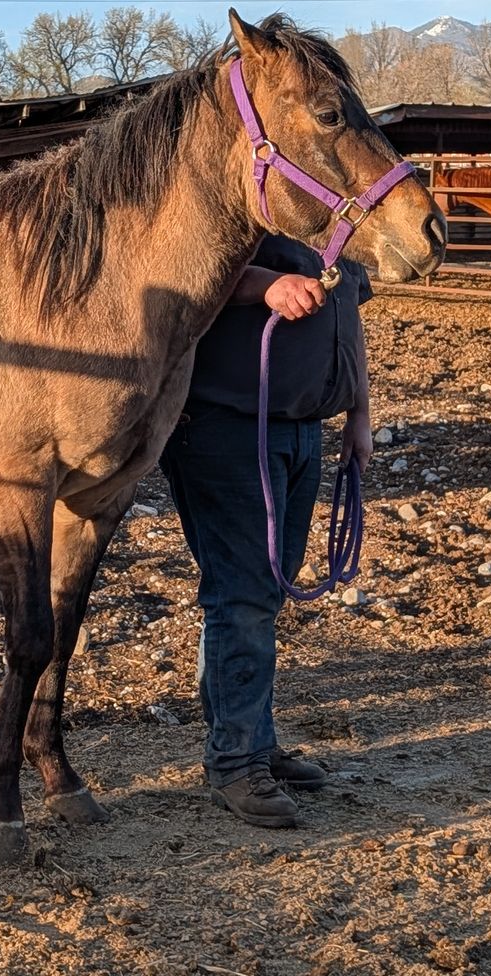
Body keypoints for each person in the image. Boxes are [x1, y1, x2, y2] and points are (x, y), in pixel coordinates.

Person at [158, 234, 374, 828]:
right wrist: (264, 284)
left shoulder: (337, 224)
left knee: (263, 592)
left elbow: (349, 314)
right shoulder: (247, 206)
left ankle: (253, 740)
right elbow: (180, 273)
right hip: (227, 427)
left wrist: (359, 416)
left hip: (300, 428)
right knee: (244, 592)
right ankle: (233, 763)